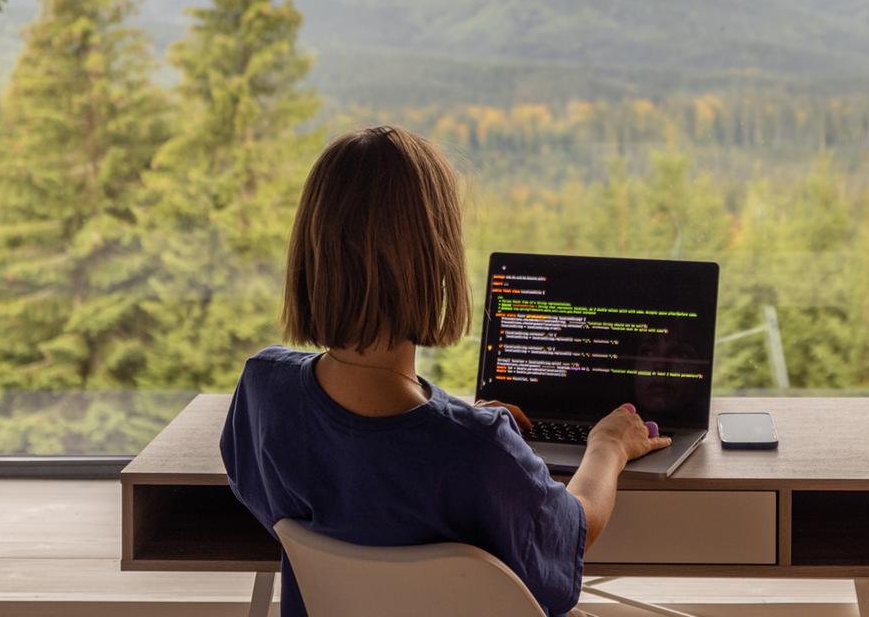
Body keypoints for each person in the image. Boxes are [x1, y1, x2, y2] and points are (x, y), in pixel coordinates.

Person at [220, 125, 671, 617]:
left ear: (309, 253)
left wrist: (453, 417)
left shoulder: (263, 388)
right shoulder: (481, 449)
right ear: (438, 263)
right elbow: (571, 536)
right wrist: (608, 445)